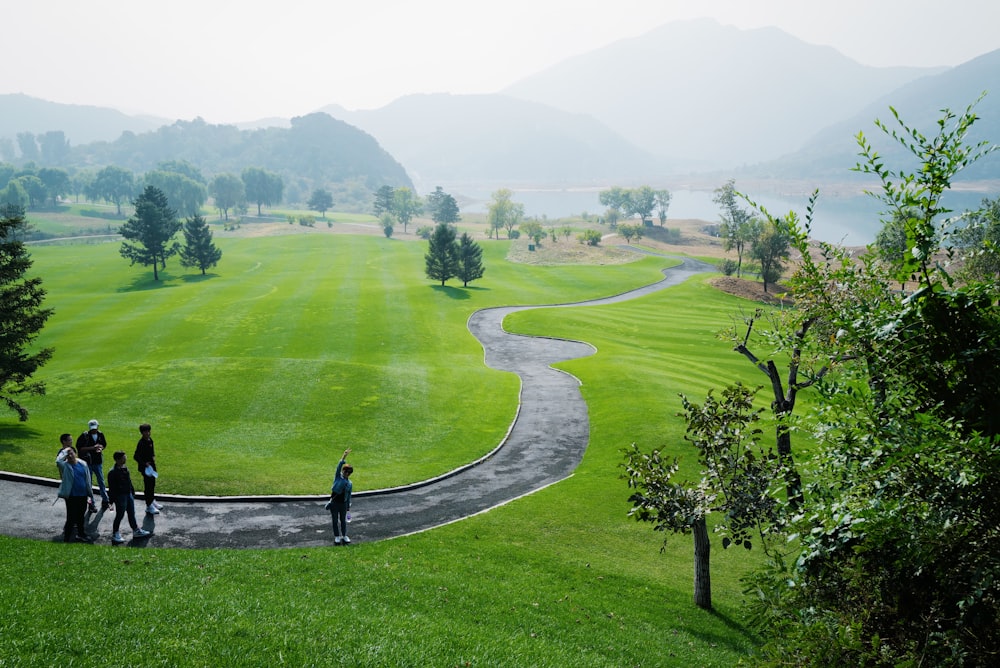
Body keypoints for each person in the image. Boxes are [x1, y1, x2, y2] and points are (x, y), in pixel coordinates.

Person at [107, 450, 152, 544]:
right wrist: (111, 502)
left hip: (128, 494)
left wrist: (132, 491)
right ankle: (115, 533)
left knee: (131, 513)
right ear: (118, 459)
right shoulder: (113, 472)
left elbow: (128, 481)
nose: (126, 458)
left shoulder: (124, 468)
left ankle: (136, 530)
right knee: (120, 515)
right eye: (124, 457)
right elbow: (112, 488)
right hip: (120, 496)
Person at [56, 438, 95, 543]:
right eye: (67, 455)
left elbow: (87, 479)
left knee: (81, 517)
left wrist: (89, 493)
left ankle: (81, 534)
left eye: (71, 453)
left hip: (83, 495)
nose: (70, 456)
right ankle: (66, 539)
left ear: (75, 454)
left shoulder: (83, 464)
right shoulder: (65, 466)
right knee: (71, 518)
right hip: (72, 496)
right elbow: (58, 461)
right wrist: (65, 450)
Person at [75, 419, 110, 511]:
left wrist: (100, 448)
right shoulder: (84, 436)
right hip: (88, 463)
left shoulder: (100, 434)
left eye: (95, 428)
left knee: (101, 482)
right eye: (92, 428)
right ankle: (91, 504)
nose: (94, 430)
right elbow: (80, 448)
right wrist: (92, 448)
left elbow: (104, 444)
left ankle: (105, 500)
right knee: (88, 484)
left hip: (97, 462)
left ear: (98, 426)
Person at [133, 423, 162, 515]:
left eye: (149, 431)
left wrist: (153, 456)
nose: (148, 433)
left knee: (152, 484)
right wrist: (144, 463)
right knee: (148, 486)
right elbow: (136, 456)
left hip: (151, 467)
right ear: (142, 433)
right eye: (146, 432)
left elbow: (152, 451)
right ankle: (148, 506)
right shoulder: (141, 443)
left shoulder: (150, 440)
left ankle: (152, 500)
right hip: (146, 469)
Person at [326, 448, 354, 544]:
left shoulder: (349, 483)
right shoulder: (338, 477)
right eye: (345, 471)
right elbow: (338, 466)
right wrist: (344, 456)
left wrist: (348, 505)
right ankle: (337, 536)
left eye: (348, 473)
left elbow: (349, 495)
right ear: (343, 471)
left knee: (343, 520)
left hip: (343, 503)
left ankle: (344, 535)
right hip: (334, 502)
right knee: (335, 520)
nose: (347, 474)